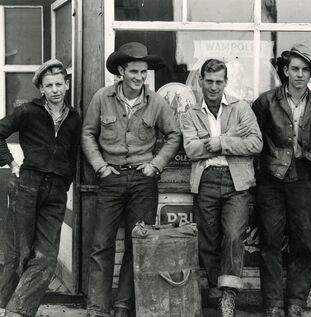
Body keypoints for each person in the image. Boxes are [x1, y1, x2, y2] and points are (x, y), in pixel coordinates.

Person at [81, 42, 181, 317]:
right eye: (134, 72)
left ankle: (124, 305)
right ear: (121, 72)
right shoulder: (102, 98)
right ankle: (97, 307)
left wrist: (156, 165)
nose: (139, 78)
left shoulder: (157, 102)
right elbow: (88, 134)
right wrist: (100, 166)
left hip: (143, 182)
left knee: (137, 245)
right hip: (110, 180)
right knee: (101, 244)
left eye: (143, 72)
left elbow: (174, 135)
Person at [0, 59, 80, 317]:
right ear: (41, 89)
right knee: (20, 253)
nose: (55, 90)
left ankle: (17, 312)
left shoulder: (74, 117)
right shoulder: (28, 111)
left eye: (59, 84)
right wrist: (12, 165)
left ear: (67, 84)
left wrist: (65, 181)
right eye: (49, 85)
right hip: (28, 185)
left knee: (46, 258)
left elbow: (73, 154)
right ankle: (8, 308)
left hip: (56, 190)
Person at [179, 59, 262, 317]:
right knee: (207, 240)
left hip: (236, 181)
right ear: (201, 81)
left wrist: (219, 142)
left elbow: (256, 144)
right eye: (209, 81)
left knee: (234, 236)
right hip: (205, 180)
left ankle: (228, 296)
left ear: (226, 82)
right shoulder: (190, 112)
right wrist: (232, 136)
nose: (214, 87)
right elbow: (191, 150)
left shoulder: (241, 108)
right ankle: (218, 286)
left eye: (219, 81)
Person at [252, 44, 311, 317]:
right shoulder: (266, 101)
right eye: (294, 69)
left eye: (305, 70)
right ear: (285, 71)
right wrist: (263, 169)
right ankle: (272, 304)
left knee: (304, 242)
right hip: (271, 178)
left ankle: (297, 303)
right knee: (270, 243)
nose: (299, 74)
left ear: (310, 74)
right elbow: (255, 140)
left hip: (303, 176)